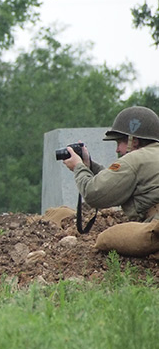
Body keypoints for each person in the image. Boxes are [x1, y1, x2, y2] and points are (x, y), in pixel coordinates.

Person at [61, 105, 159, 256]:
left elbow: (93, 194)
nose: (117, 150)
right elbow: (119, 182)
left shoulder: (134, 160)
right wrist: (90, 166)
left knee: (106, 238)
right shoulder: (149, 157)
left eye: (119, 142)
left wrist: (78, 167)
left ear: (134, 141)